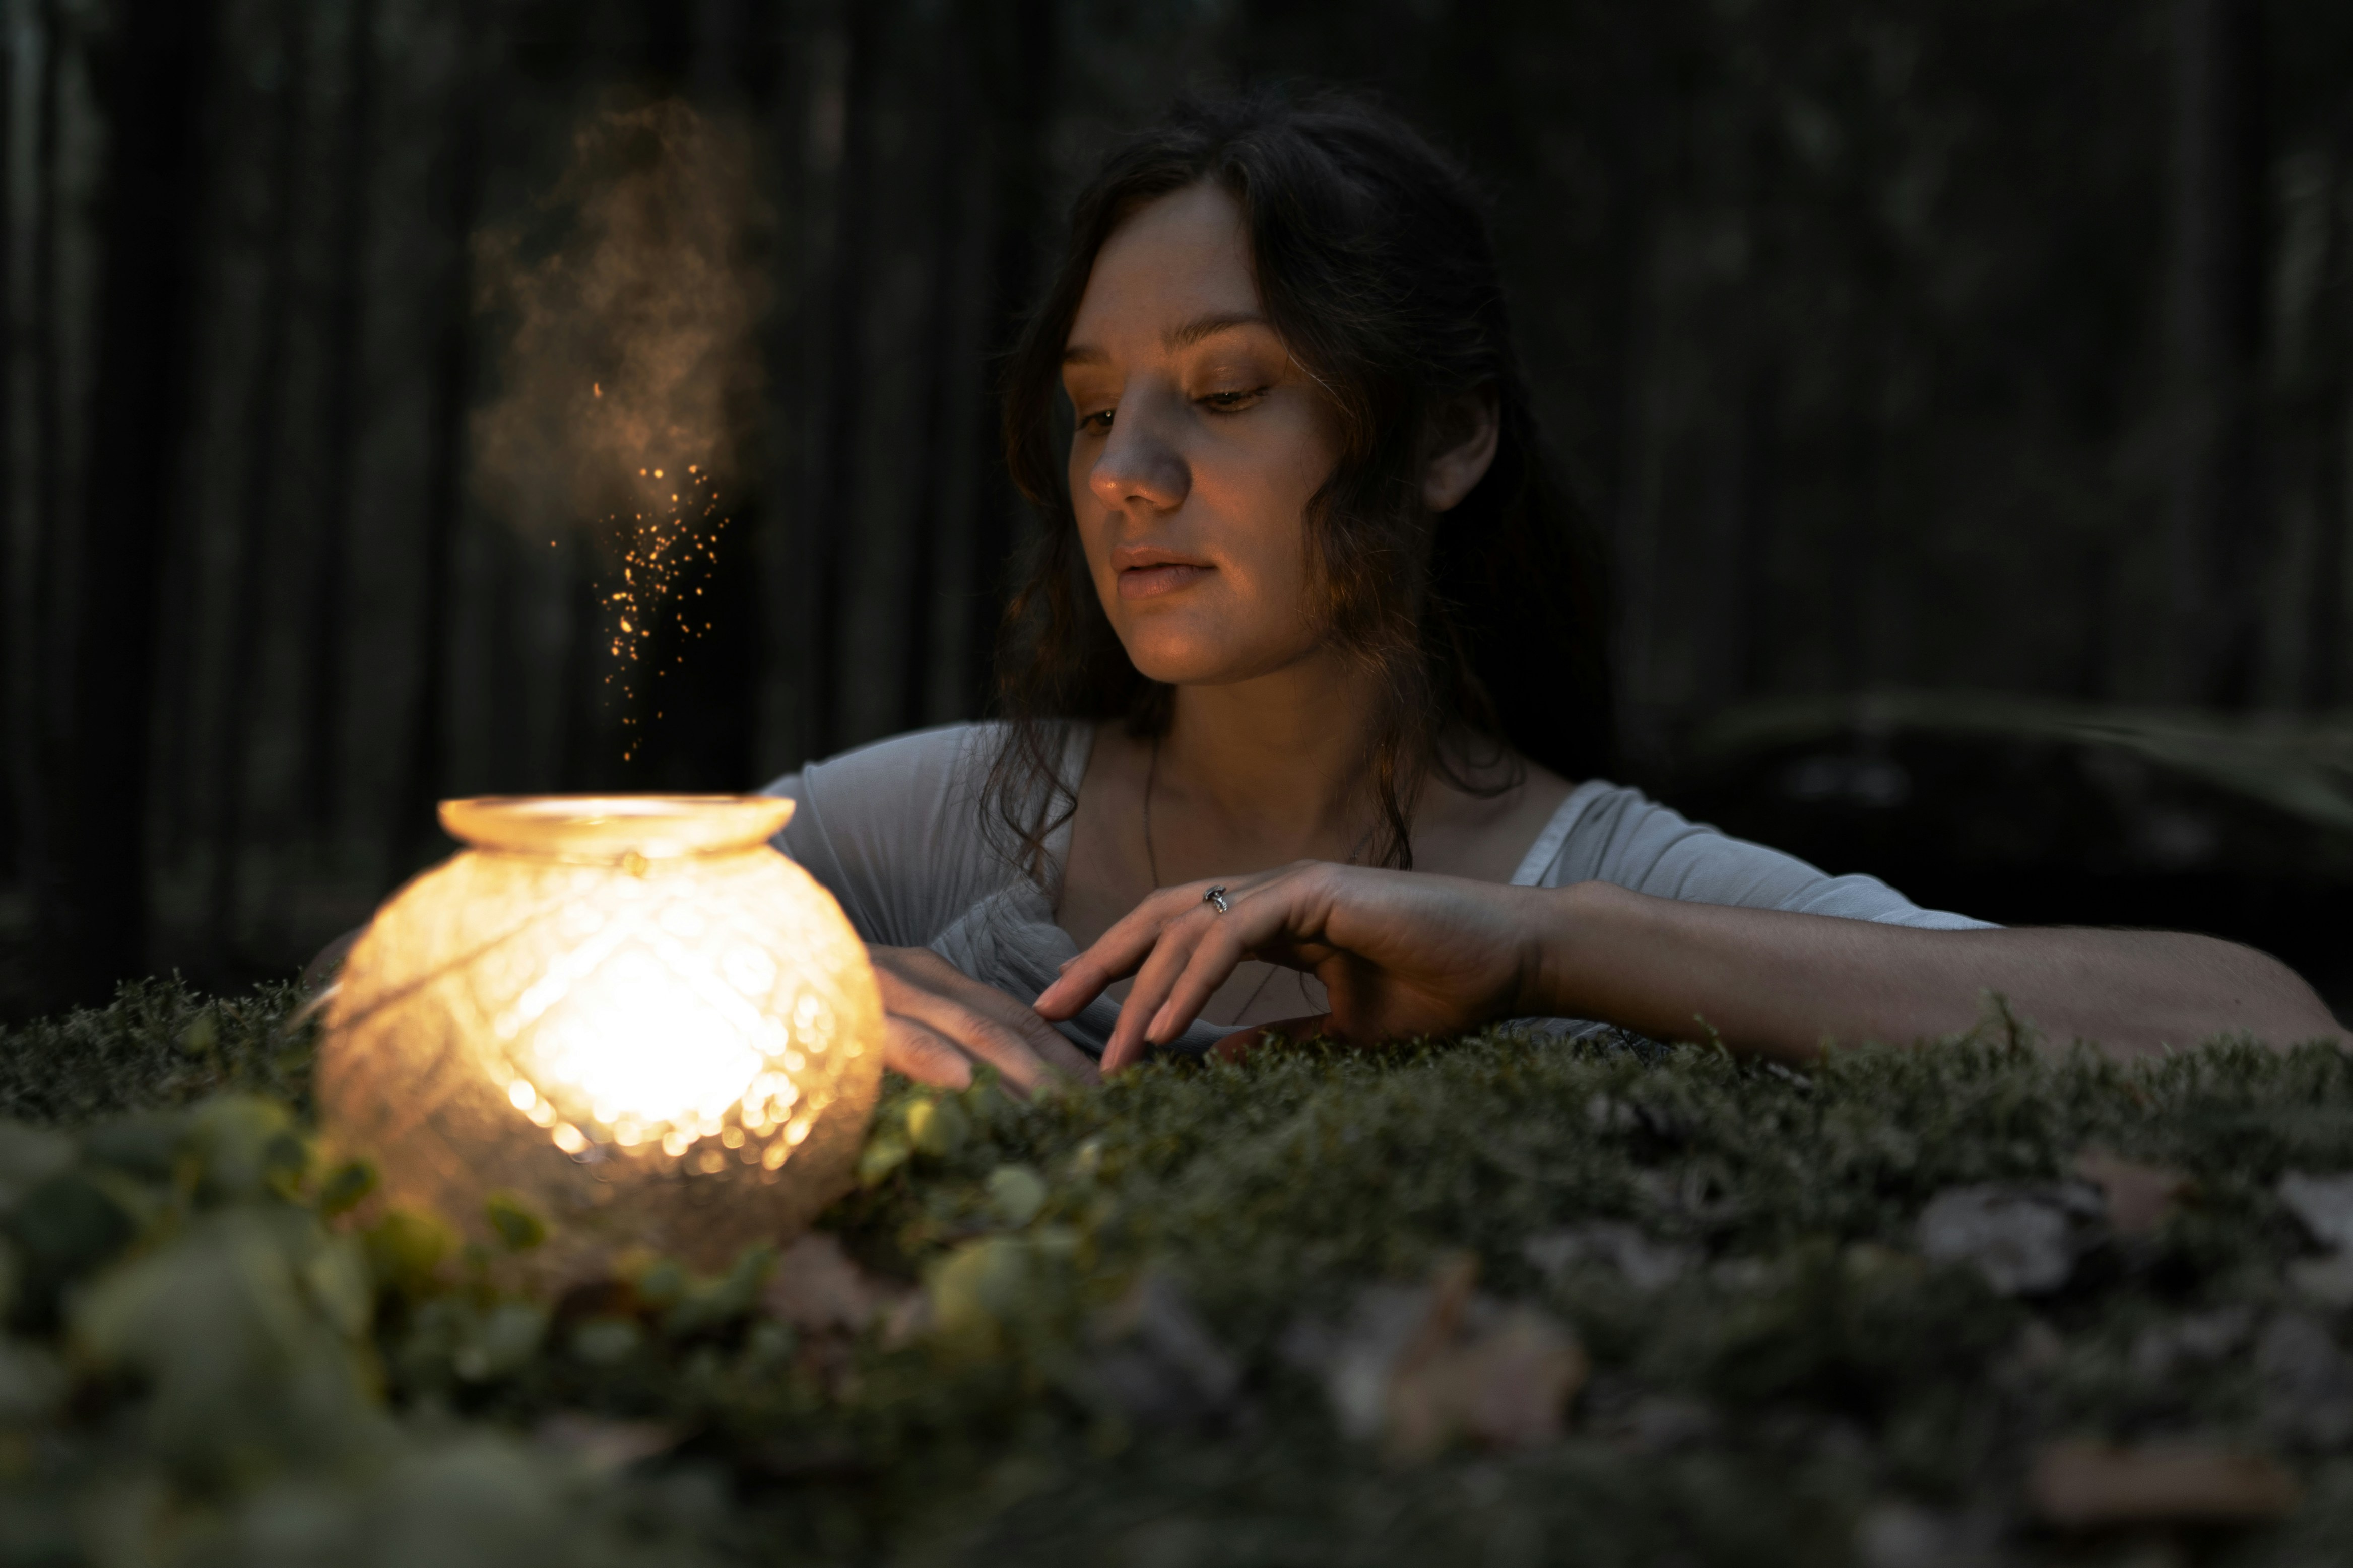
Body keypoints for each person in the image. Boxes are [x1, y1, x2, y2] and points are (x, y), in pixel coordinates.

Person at [763, 90, 2338, 1096]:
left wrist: (1545, 950)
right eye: (1098, 406)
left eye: (1228, 393)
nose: (1126, 472)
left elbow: (2273, 1037)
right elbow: (535, 918)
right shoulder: (970, 814)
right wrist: (807, 979)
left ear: (1448, 437)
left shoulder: (1597, 879)